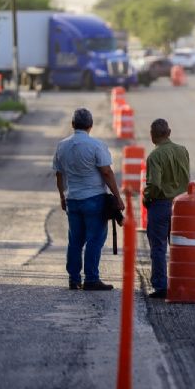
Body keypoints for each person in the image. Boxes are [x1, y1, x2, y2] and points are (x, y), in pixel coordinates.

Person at [52, 108, 124, 291]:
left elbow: (59, 175)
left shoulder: (62, 146)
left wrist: (62, 196)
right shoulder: (96, 145)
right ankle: (91, 279)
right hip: (94, 199)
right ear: (90, 126)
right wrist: (117, 196)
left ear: (73, 124)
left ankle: (74, 279)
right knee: (94, 239)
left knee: (75, 240)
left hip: (73, 199)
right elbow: (106, 172)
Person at [142, 118, 191, 299]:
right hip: (182, 205)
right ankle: (183, 283)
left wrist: (147, 197)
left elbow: (154, 184)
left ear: (152, 136)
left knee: (158, 247)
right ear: (169, 133)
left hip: (161, 205)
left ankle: (161, 286)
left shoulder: (154, 156)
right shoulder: (183, 151)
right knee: (180, 247)